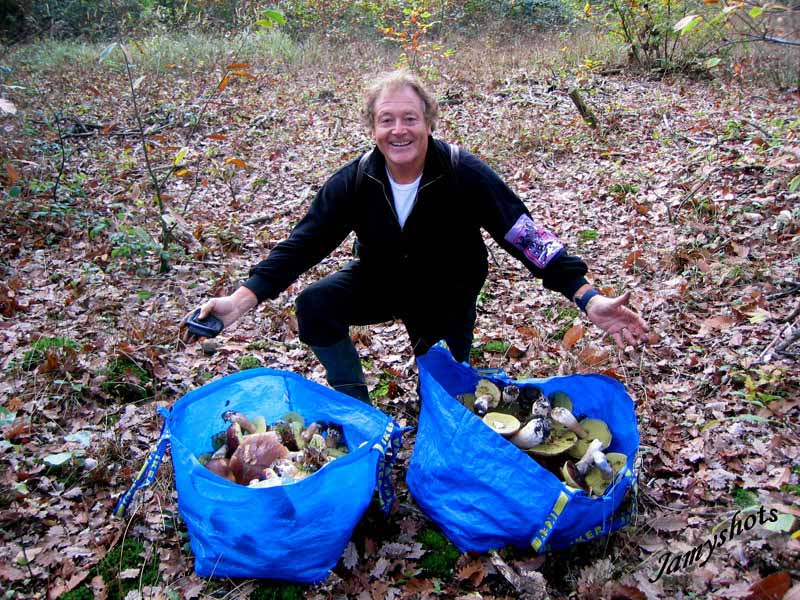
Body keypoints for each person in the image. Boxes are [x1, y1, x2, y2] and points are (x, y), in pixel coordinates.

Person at [186, 70, 649, 403]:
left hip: (446, 295)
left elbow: (525, 235)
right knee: (315, 304)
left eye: (409, 118)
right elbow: (304, 243)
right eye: (386, 120)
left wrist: (587, 298)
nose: (398, 130)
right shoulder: (355, 181)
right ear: (372, 128)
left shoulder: (463, 172)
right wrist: (240, 301)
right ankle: (353, 403)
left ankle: (445, 395)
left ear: (429, 122)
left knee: (445, 399)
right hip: (381, 281)